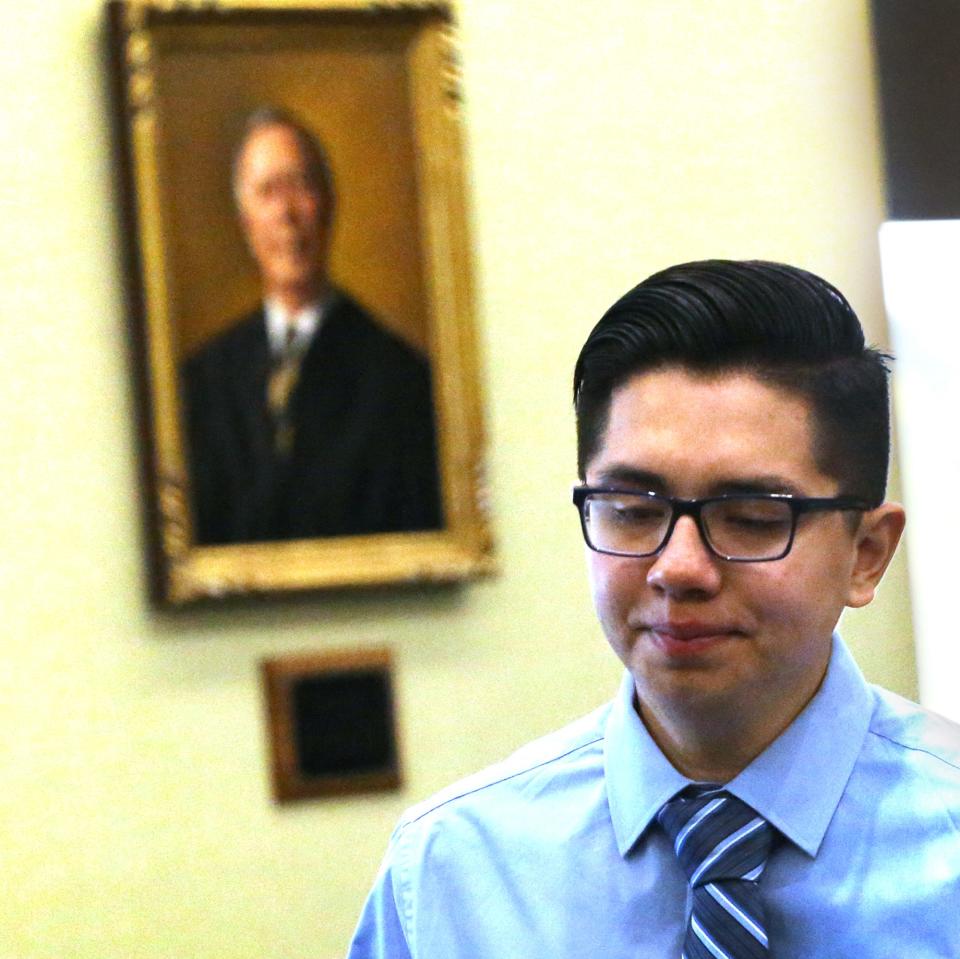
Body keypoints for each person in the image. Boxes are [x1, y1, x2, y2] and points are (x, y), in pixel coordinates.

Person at [347, 260, 960, 957]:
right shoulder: (451, 875)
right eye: (634, 510)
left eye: (753, 516)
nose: (679, 568)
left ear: (868, 552)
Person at [182, 108, 442, 544]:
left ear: (328, 202)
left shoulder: (400, 380)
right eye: (267, 192)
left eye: (301, 186)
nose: (286, 214)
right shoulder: (202, 379)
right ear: (244, 220)